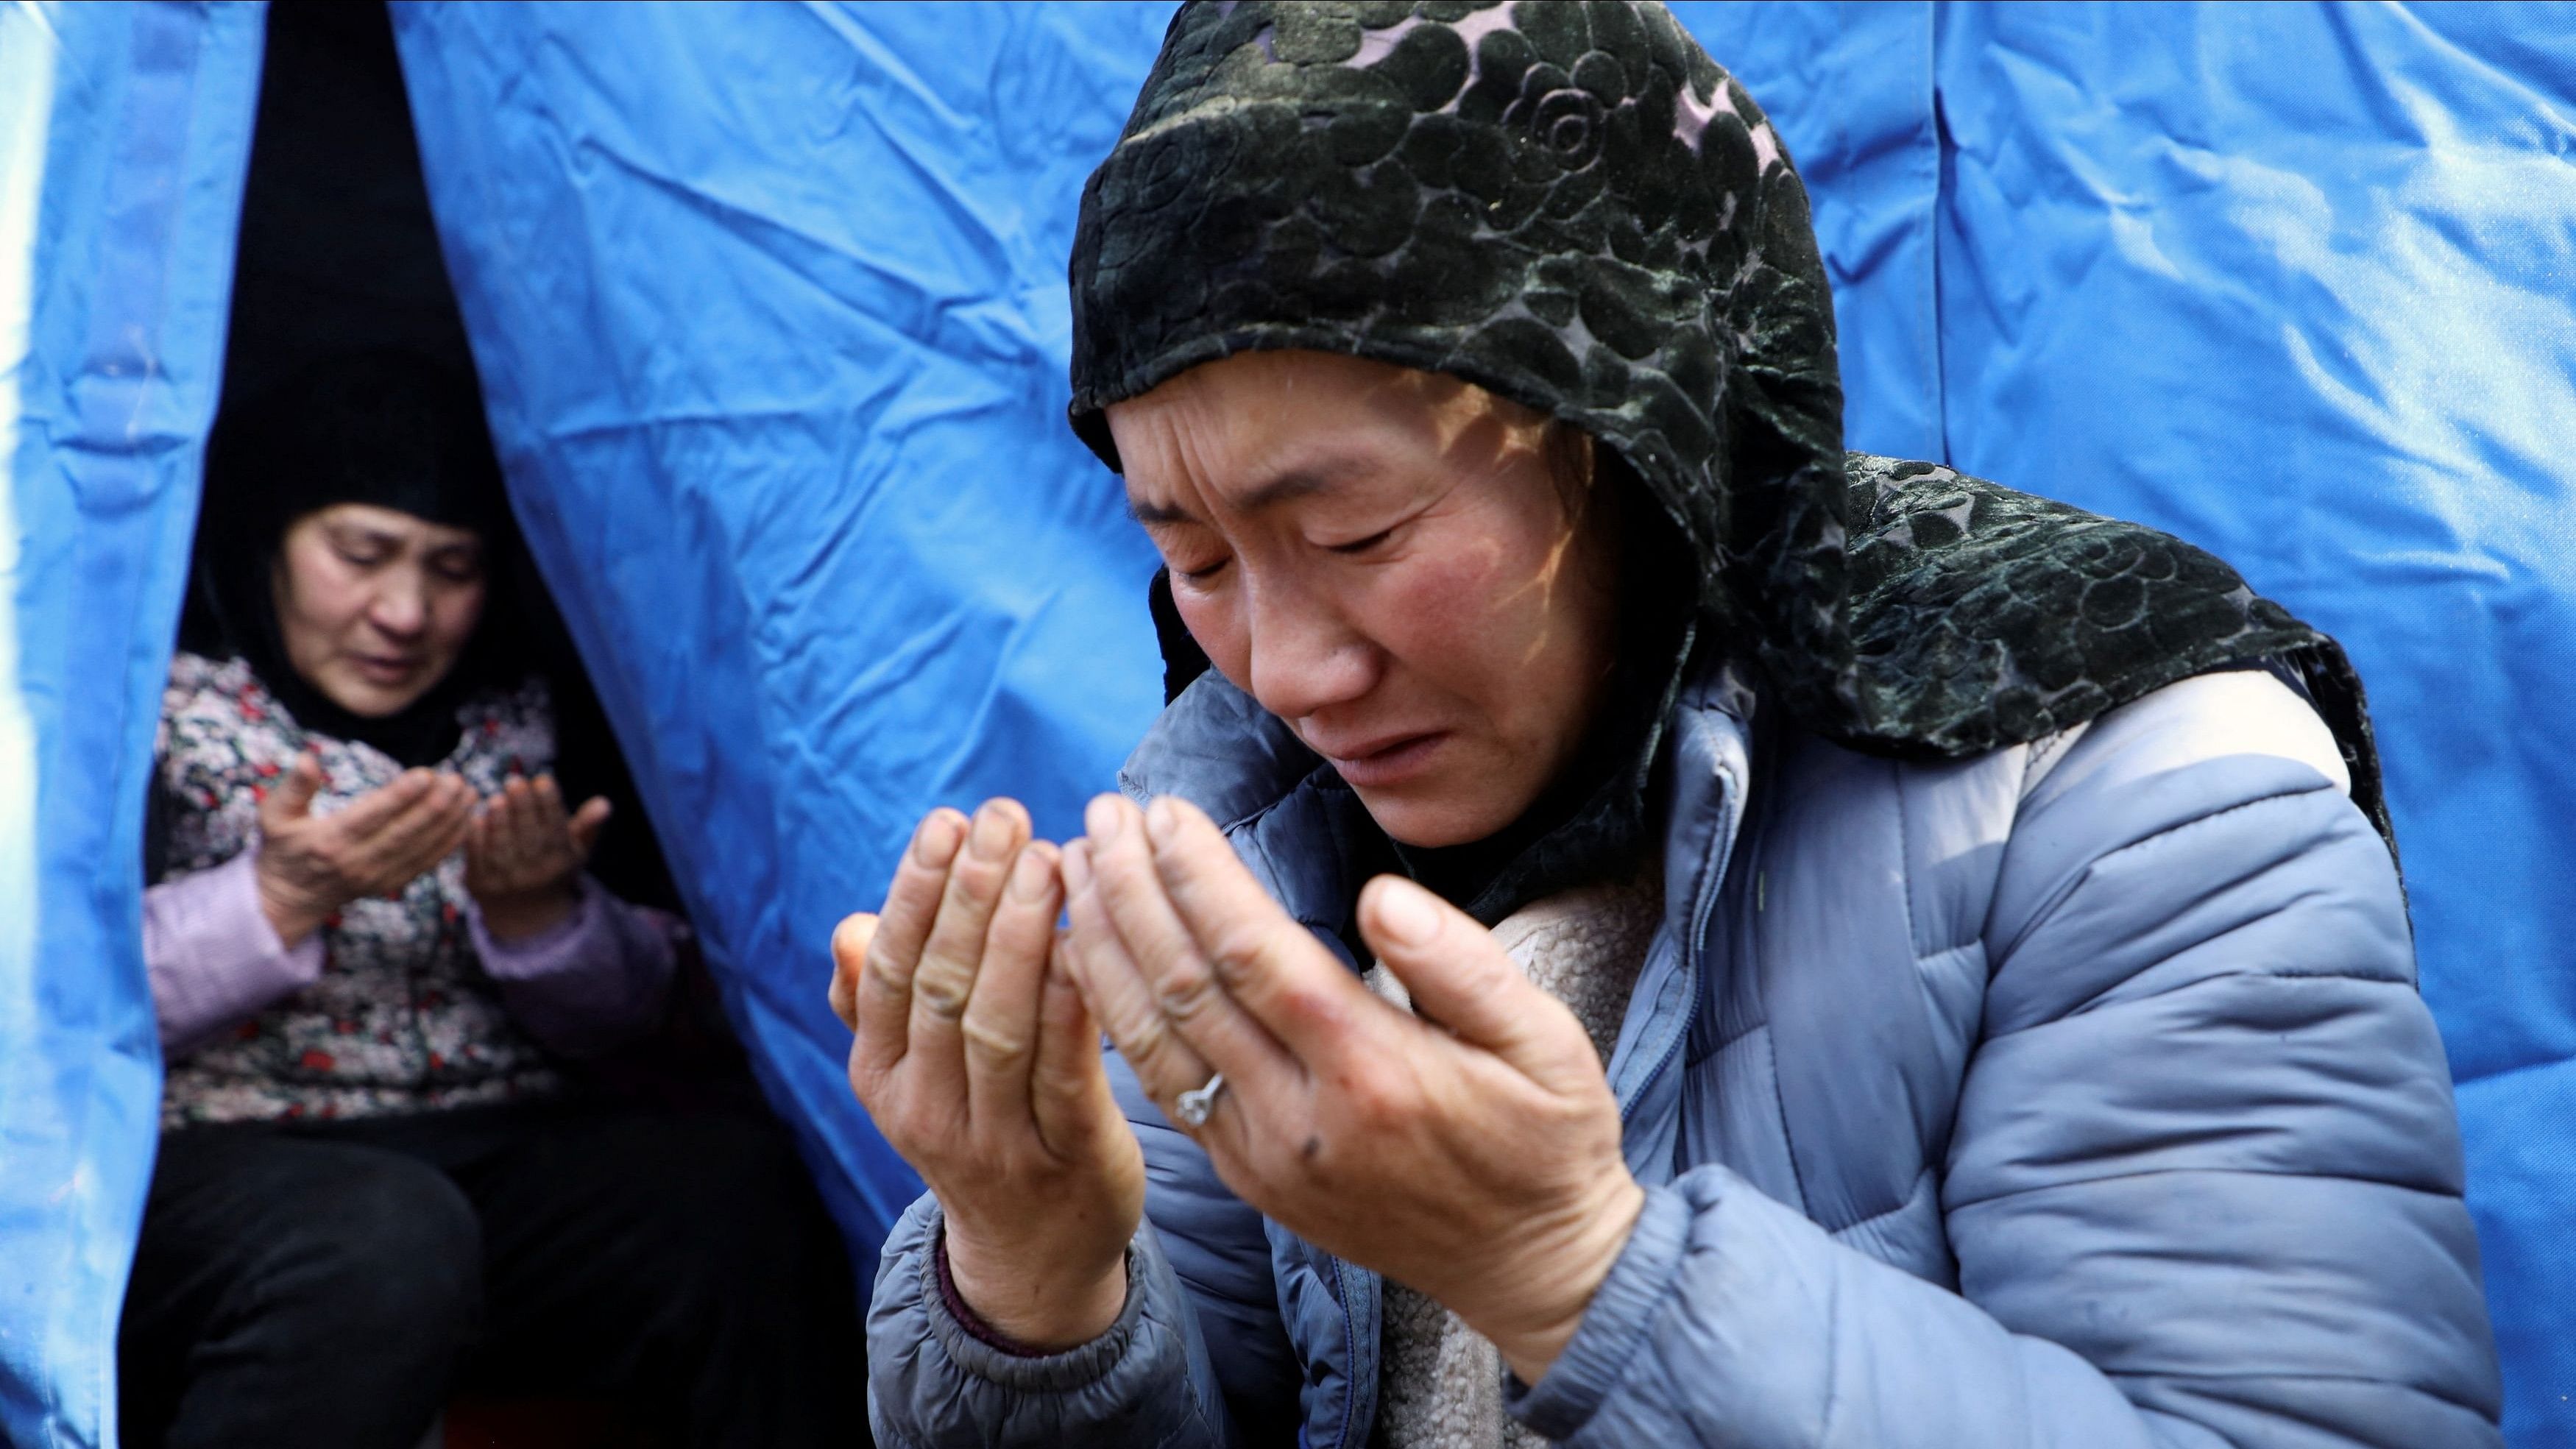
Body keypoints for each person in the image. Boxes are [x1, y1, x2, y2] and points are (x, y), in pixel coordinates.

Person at [837, 4, 2503, 1448]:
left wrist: (1572, 1270)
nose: (1280, 669)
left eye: (1357, 538)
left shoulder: (2129, 790)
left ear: (1629, 437)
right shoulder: (1257, 831)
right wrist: (1035, 1277)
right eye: (1191, 557)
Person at [120, 351, 862, 1449]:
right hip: (227, 1159)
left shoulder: (527, 724)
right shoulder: (157, 715)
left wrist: (542, 920)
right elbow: (55, 1004)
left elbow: (635, 1012)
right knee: (378, 1234)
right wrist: (276, 896)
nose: (406, 610)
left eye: (452, 567)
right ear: (267, 538)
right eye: (361, 553)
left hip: (494, 1151)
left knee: (737, 1194)